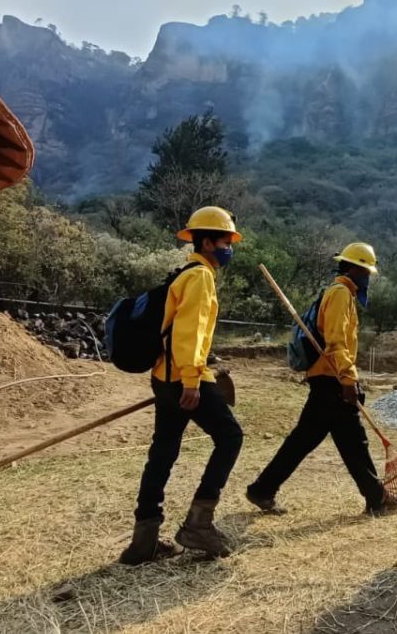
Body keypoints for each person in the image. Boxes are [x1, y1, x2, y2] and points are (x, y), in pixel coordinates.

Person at [119, 206, 245, 565]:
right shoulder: (200, 277)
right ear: (207, 241)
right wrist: (192, 381)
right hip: (183, 381)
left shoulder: (184, 274)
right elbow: (187, 334)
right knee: (231, 437)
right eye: (225, 241)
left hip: (164, 378)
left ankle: (143, 541)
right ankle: (198, 525)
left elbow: (182, 332)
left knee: (163, 453)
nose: (228, 248)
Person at [246, 243, 397, 517]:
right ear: (354, 268)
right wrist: (348, 379)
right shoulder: (341, 294)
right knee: (353, 442)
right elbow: (336, 341)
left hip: (326, 379)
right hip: (332, 381)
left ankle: (262, 489)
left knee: (307, 441)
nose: (367, 276)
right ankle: (377, 498)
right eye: (366, 271)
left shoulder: (338, 292)